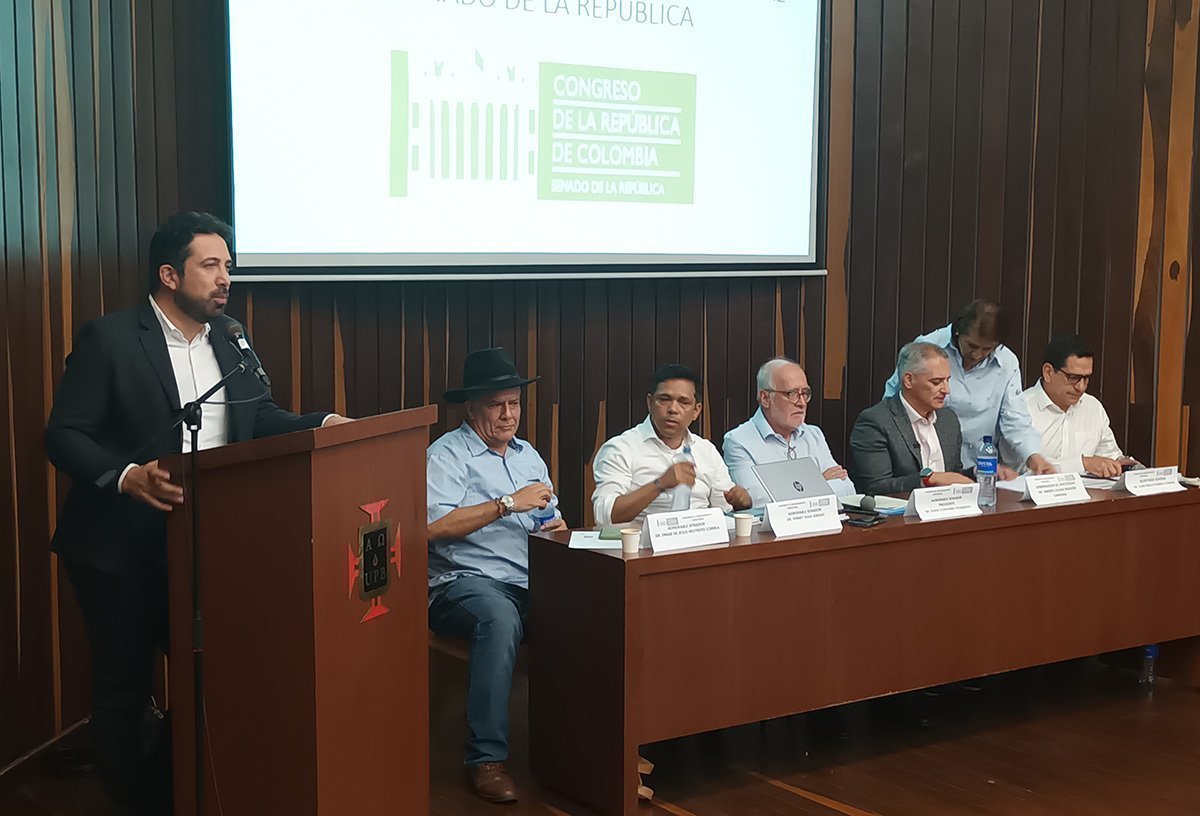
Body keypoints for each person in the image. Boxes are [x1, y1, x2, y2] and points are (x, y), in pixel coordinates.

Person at [44, 211, 345, 815]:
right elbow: (64, 435)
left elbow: (256, 419)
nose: (225, 277)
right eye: (211, 265)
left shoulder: (230, 337)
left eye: (228, 265)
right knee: (124, 687)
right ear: (168, 275)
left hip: (206, 543)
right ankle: (136, 804)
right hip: (119, 547)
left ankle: (172, 790)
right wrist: (127, 477)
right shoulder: (110, 337)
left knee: (214, 675)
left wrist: (322, 424)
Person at [425, 347, 566, 804]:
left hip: (529, 579)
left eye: (515, 404)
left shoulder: (529, 457)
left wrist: (555, 526)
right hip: (462, 583)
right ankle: (485, 759)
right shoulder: (446, 456)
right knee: (498, 618)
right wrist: (507, 504)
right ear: (471, 407)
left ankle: (591, 749)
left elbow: (547, 519)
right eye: (496, 404)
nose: (509, 415)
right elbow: (431, 529)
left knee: (599, 607)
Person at [883, 299, 1054, 476]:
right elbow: (892, 407)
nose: (978, 354)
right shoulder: (927, 347)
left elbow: (1016, 420)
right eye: (972, 346)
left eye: (987, 349)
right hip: (922, 467)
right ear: (957, 331)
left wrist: (1035, 458)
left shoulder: (1007, 362)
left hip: (978, 469)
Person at [592, 364, 752, 526]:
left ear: (696, 411)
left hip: (700, 542)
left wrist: (740, 502)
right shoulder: (621, 448)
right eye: (664, 399)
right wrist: (659, 484)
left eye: (683, 402)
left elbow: (724, 510)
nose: (673, 409)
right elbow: (605, 515)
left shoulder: (706, 450)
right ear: (650, 402)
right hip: (642, 546)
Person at [723, 357, 855, 505]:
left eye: (805, 393)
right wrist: (818, 481)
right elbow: (753, 499)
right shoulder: (738, 440)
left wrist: (798, 489)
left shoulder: (814, 435)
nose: (802, 403)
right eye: (792, 394)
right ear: (765, 398)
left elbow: (847, 488)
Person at [850, 342, 976, 495]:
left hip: (949, 511)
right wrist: (928, 480)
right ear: (908, 380)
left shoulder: (948, 419)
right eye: (936, 382)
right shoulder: (875, 422)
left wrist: (977, 472)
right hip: (902, 516)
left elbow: (952, 476)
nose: (946, 390)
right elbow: (874, 487)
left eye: (947, 380)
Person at [1018, 335, 1137, 476]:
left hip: (1089, 496)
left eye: (1086, 378)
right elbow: (1020, 469)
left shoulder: (1093, 407)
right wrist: (1083, 464)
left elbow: (1110, 456)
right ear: (1048, 372)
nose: (1081, 387)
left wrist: (1125, 465)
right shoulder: (1020, 408)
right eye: (1073, 378)